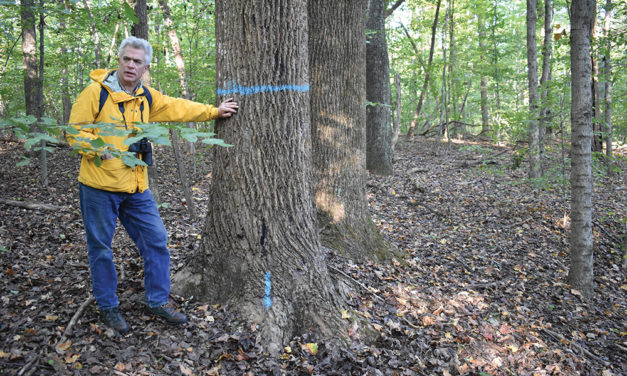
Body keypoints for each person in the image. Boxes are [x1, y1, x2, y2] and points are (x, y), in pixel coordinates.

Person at [67, 36, 238, 334]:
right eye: (126, 60)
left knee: (157, 240)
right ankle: (108, 306)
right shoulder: (96, 93)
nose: (131, 66)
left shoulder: (146, 96)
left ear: (146, 66)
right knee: (101, 249)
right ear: (118, 60)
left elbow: (177, 107)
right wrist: (95, 147)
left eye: (137, 62)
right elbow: (74, 131)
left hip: (135, 186)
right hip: (99, 186)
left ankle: (156, 301)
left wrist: (213, 111)